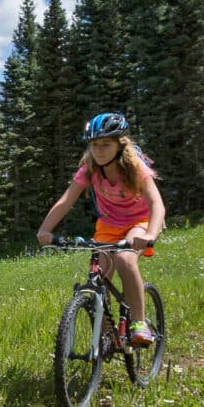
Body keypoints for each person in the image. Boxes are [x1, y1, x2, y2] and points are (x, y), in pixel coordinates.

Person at [37, 113, 166, 347]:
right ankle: (107, 336)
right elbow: (66, 201)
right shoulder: (90, 168)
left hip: (140, 222)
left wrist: (150, 235)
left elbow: (157, 204)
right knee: (99, 276)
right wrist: (45, 230)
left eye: (106, 144)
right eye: (94, 144)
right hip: (108, 225)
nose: (99, 150)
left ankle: (139, 322)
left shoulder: (135, 168)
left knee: (125, 259)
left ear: (120, 145)